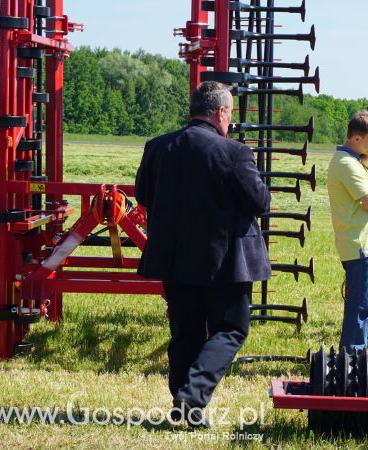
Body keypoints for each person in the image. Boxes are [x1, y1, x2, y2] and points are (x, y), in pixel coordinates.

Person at [135, 81, 271, 427]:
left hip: (174, 257)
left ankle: (186, 408)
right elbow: (259, 203)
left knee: (186, 331)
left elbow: (143, 195)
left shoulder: (157, 147)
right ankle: (192, 398)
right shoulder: (234, 153)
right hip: (224, 261)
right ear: (221, 112)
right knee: (231, 330)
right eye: (230, 113)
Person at [327, 110, 368, 351]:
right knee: (360, 307)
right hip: (359, 246)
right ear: (356, 139)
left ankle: (354, 355)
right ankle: (351, 359)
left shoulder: (360, 161)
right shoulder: (346, 164)